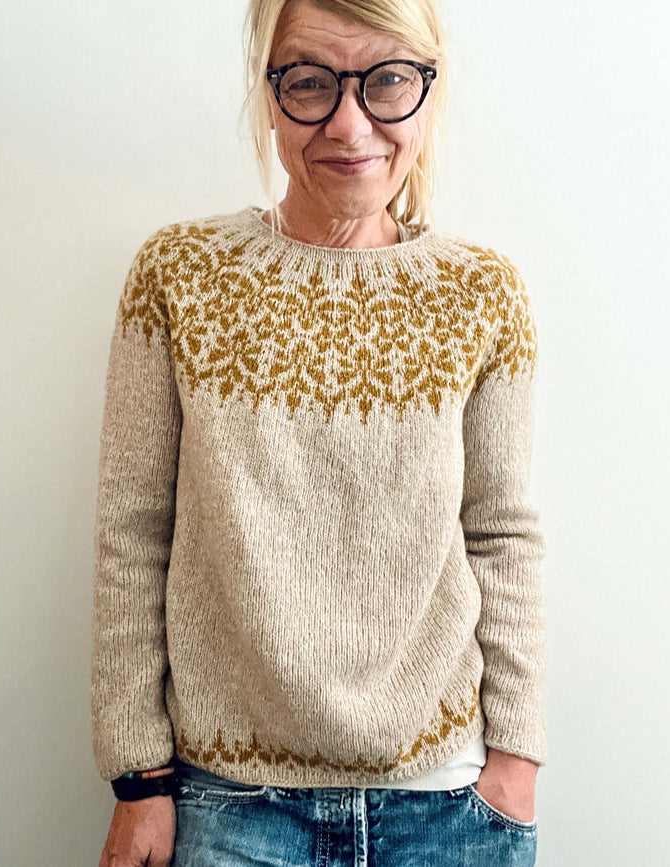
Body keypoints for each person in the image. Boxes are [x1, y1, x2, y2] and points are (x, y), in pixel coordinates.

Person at [90, 0, 547, 864]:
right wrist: (138, 777)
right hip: (226, 803)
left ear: (428, 91)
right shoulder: (177, 275)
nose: (347, 124)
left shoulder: (482, 292)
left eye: (386, 82)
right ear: (268, 94)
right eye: (308, 82)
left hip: (449, 806)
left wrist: (515, 760)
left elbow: (501, 532)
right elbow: (133, 533)